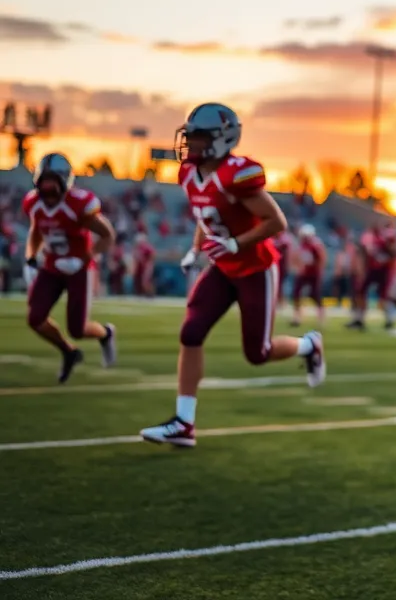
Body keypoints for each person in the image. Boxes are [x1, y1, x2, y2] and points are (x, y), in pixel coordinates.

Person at [140, 103, 326, 448]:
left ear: (221, 140)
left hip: (255, 267)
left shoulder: (237, 175)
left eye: (198, 138)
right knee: (191, 331)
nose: (190, 144)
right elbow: (204, 216)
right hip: (223, 267)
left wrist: (235, 243)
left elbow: (276, 222)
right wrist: (196, 252)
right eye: (190, 136)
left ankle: (308, 345)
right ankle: (184, 422)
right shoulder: (187, 174)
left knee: (257, 353)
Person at [22, 152, 118, 383]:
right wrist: (31, 257)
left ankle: (106, 333)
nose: (47, 191)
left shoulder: (78, 205)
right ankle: (68, 351)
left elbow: (107, 235)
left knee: (77, 328)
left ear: (64, 183)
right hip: (52, 266)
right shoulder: (34, 203)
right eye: (43, 184)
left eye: (52, 185)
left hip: (79, 268)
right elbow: (37, 230)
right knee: (35, 318)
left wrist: (86, 257)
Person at [291, 224, 327, 328]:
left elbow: (321, 259)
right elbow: (297, 257)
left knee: (315, 295)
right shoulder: (301, 245)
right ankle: (297, 317)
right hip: (303, 273)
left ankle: (321, 317)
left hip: (313, 273)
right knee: (296, 293)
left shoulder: (315, 245)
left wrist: (318, 270)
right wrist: (298, 267)